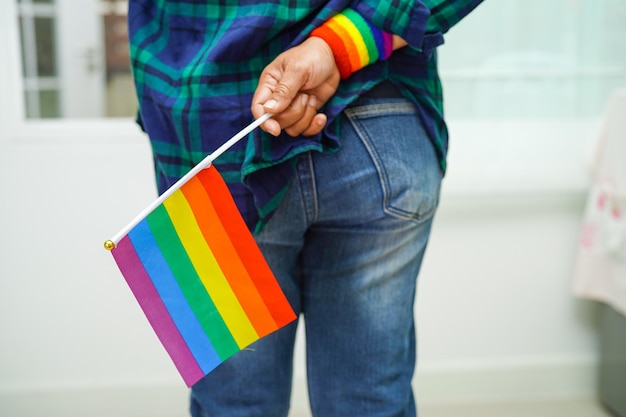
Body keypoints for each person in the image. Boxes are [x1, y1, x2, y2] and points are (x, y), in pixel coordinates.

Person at [128, 0, 483, 416]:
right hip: (377, 129)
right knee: (368, 401)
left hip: (206, 141)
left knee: (232, 406)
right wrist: (339, 45)